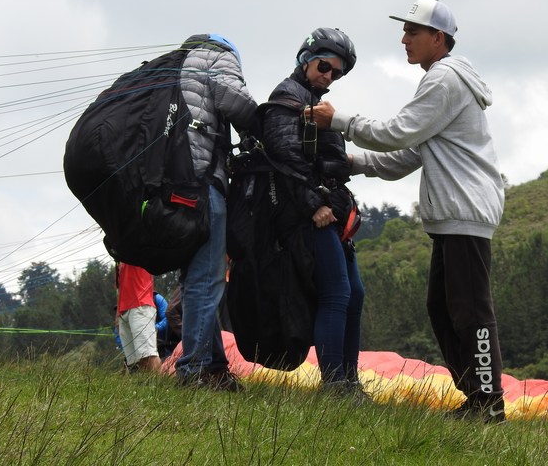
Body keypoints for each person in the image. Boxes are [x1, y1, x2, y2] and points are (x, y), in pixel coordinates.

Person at [309, 0, 506, 422]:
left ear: (439, 38)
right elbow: (410, 153)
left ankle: (488, 404)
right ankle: (476, 396)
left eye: (413, 32)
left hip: (465, 213)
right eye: (404, 31)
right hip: (455, 216)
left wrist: (338, 121)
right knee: (442, 307)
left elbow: (397, 132)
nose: (404, 39)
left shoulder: (444, 79)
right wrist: (354, 164)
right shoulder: (443, 81)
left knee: (472, 311)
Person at [260, 27, 365, 394]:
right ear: (306, 59)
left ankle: (350, 382)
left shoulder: (314, 102)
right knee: (335, 293)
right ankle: (336, 384)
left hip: (332, 213)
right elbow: (284, 157)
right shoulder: (287, 98)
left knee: (356, 293)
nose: (329, 76)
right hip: (308, 215)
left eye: (337, 73)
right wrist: (315, 204)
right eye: (324, 67)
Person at [175, 33, 257, 391]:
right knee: (207, 281)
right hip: (204, 181)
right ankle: (192, 371)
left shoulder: (176, 66)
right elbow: (232, 97)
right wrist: (260, 123)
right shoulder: (217, 56)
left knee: (196, 279)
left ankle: (214, 366)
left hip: (172, 184)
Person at [116, 261, 163, 373]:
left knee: (148, 355)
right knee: (134, 361)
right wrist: (118, 313)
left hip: (140, 304)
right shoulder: (119, 254)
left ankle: (162, 388)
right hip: (124, 309)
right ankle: (147, 389)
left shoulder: (135, 246)